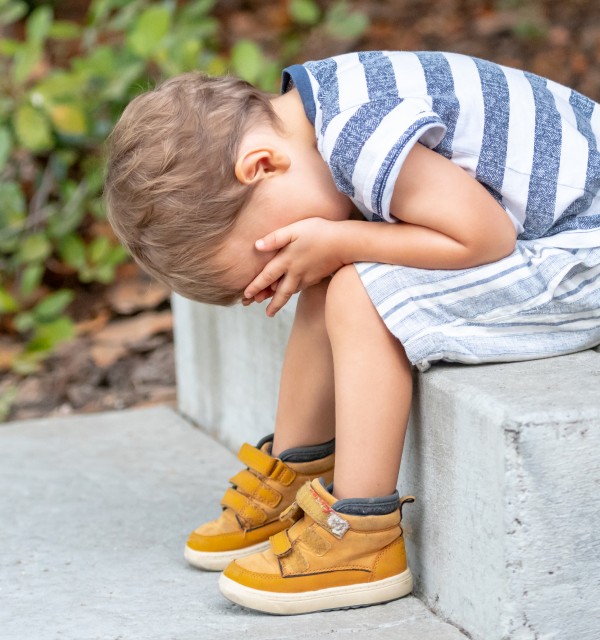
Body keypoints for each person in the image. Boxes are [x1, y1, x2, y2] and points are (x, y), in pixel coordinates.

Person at [104, 51, 600, 615]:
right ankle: (299, 470)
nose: (278, 270)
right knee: (328, 261)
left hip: (583, 253)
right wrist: (333, 244)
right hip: (557, 236)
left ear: (261, 165)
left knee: (355, 287)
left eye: (270, 250)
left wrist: (341, 242)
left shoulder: (355, 134)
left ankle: (361, 534)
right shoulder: (320, 107)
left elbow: (483, 237)